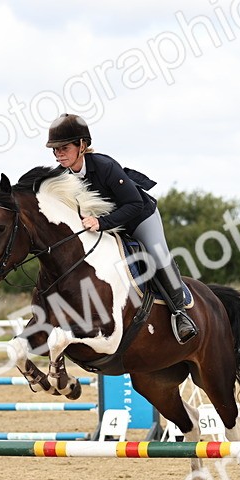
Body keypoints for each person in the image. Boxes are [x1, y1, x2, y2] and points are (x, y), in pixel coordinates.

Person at [45, 113, 198, 344]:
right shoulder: (62, 178)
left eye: (64, 147)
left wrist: (101, 223)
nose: (58, 154)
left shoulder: (105, 166)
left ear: (82, 145)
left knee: (157, 255)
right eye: (54, 149)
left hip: (138, 218)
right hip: (104, 226)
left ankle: (181, 313)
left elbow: (135, 204)